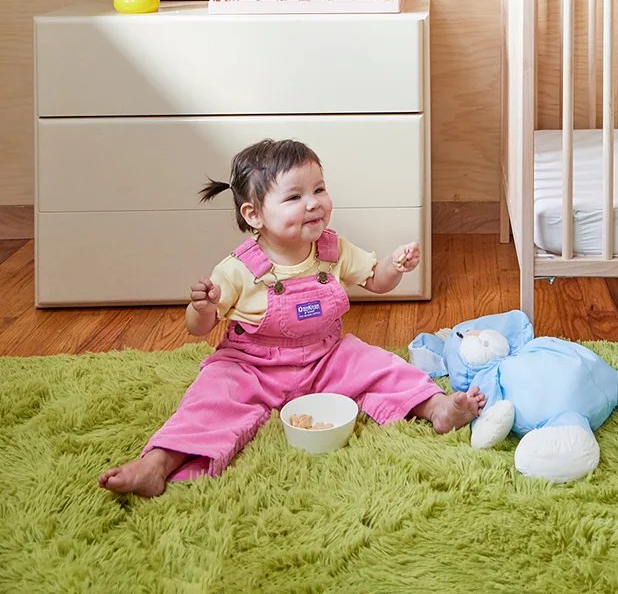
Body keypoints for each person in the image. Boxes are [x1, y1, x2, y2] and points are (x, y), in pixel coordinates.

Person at [99, 138, 484, 497]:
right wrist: (201, 308)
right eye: (295, 196)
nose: (314, 203)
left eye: (319, 189)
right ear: (254, 215)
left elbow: (376, 281)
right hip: (253, 366)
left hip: (324, 358)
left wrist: (394, 266)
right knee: (211, 397)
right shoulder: (238, 269)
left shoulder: (332, 249)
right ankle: (156, 464)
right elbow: (198, 328)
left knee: (379, 365)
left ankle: (438, 409)